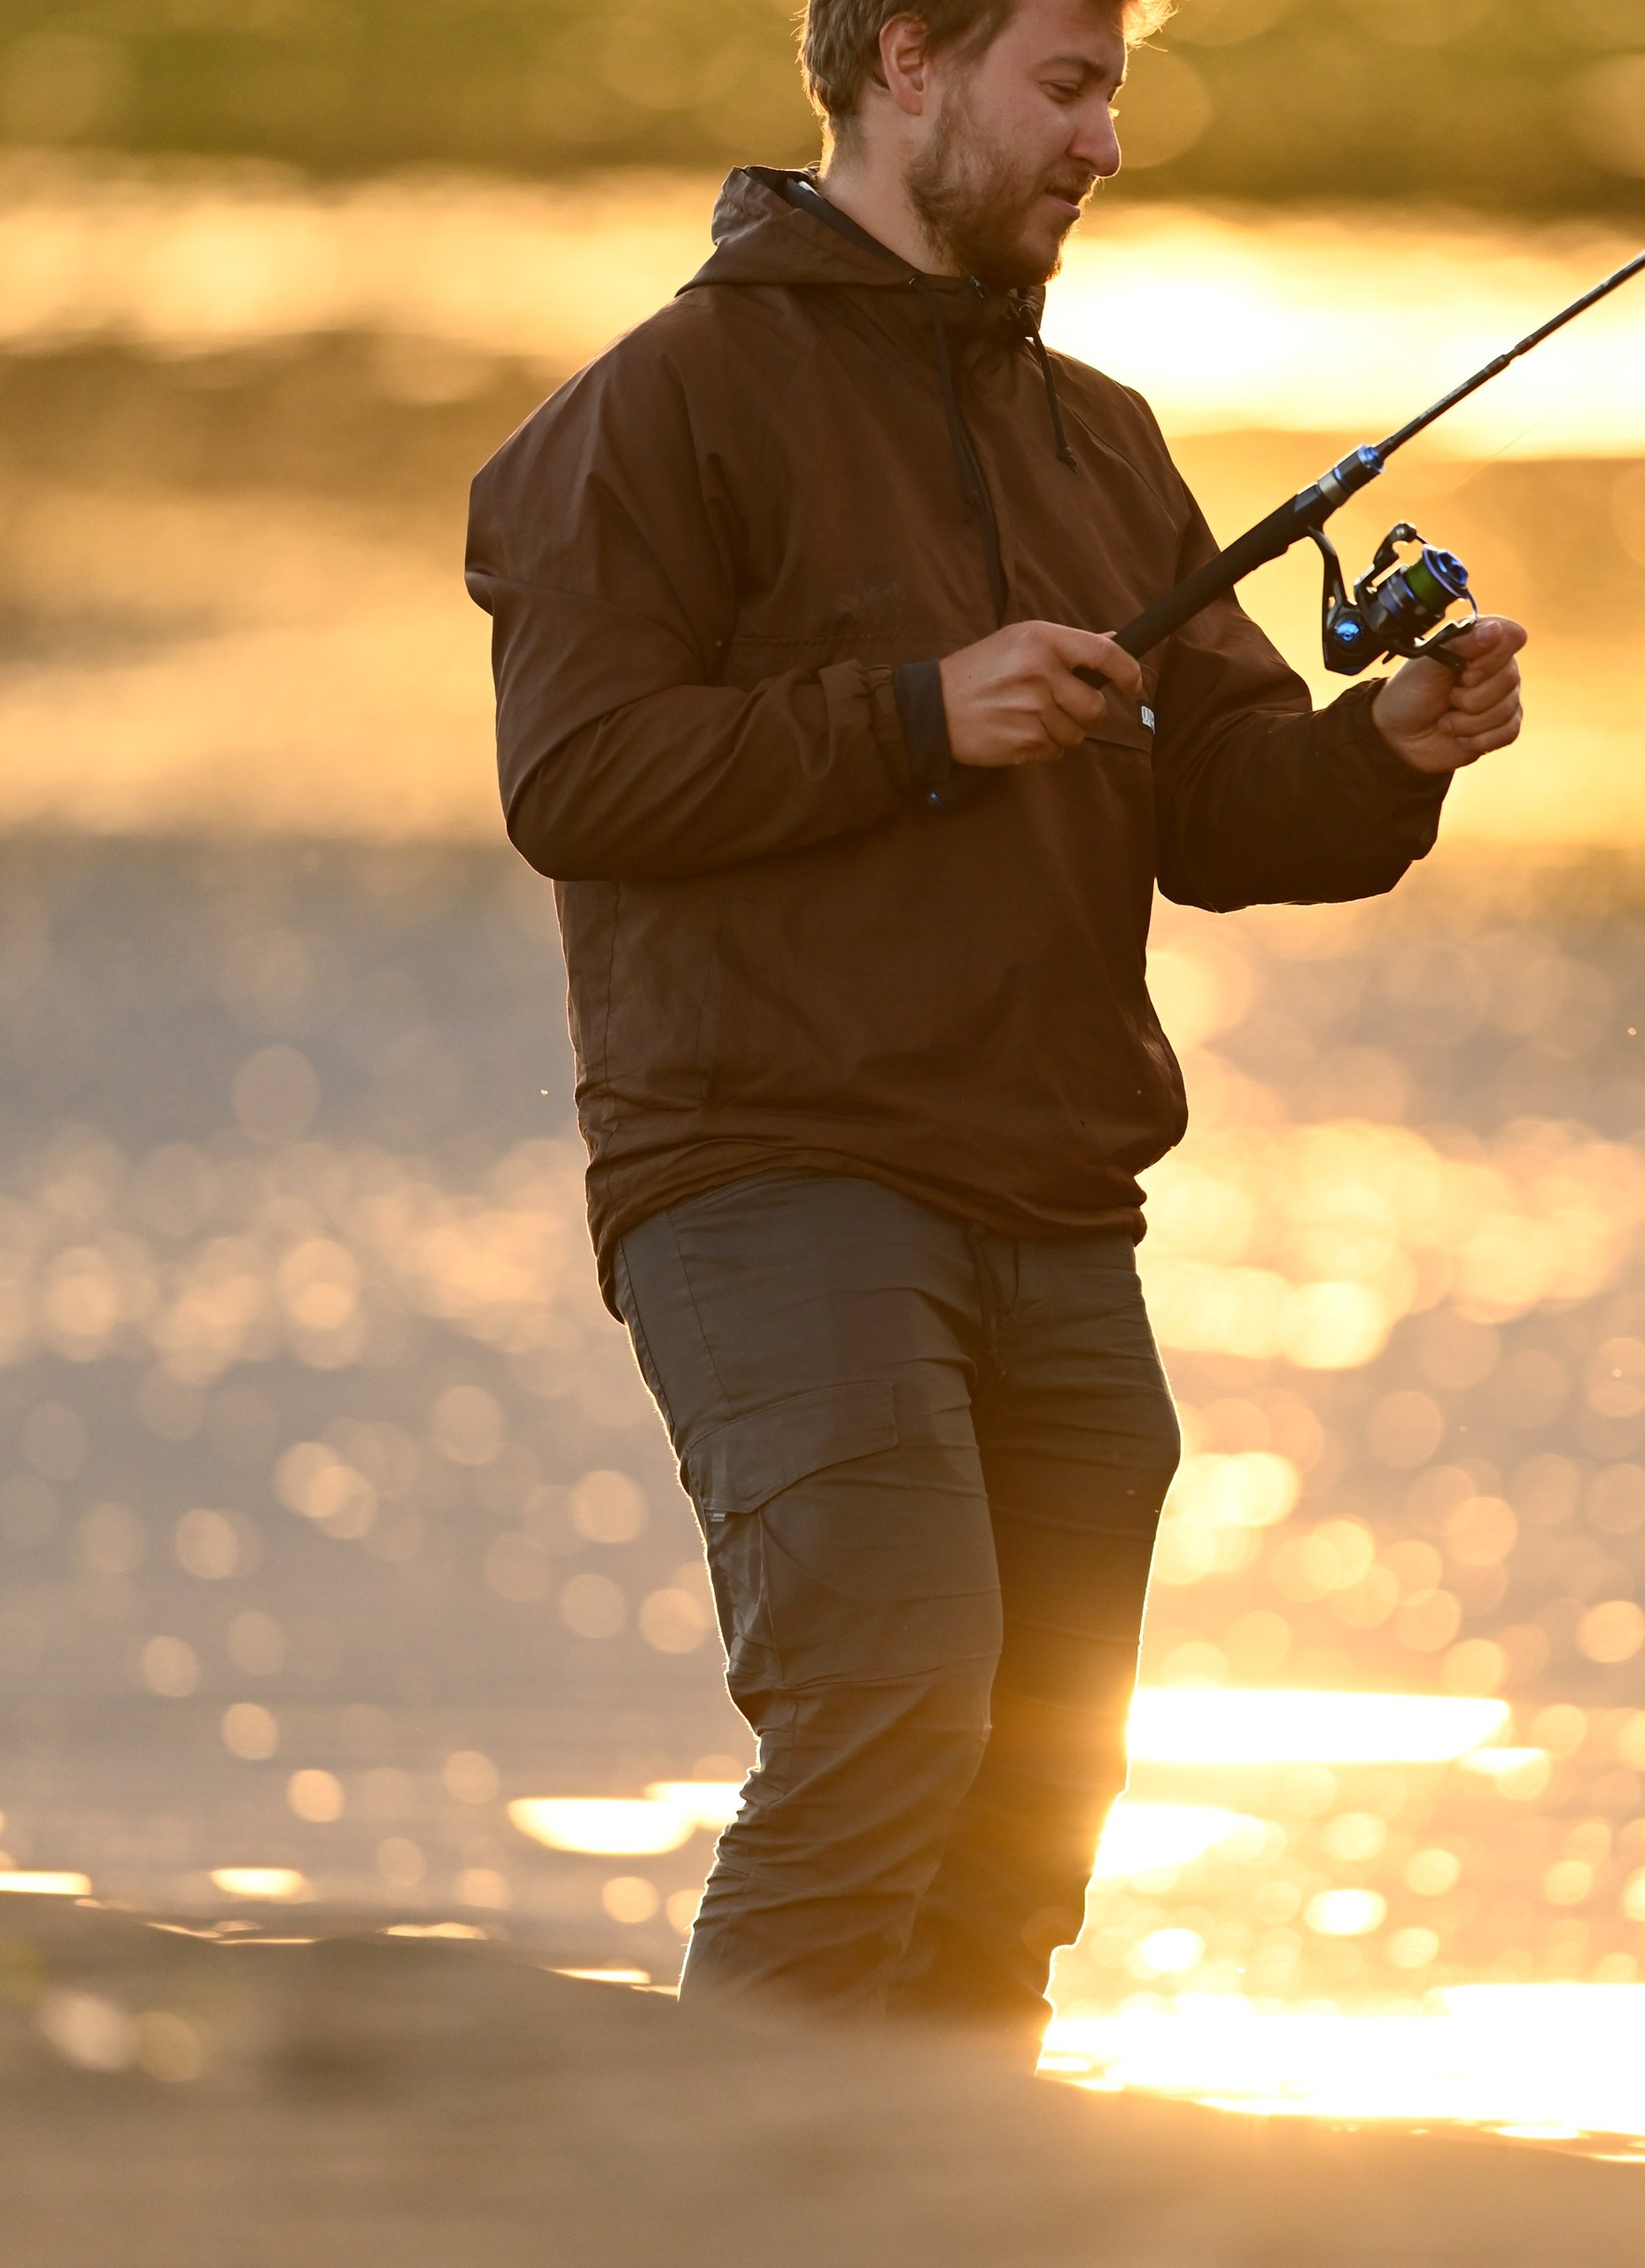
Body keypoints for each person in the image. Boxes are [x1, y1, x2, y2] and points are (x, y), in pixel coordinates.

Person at [464, 0, 1528, 2054]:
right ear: (906, 68)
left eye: (1115, 88)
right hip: (768, 1169)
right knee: (883, 1705)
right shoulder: (656, 410)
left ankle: (937, 2196)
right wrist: (917, 714)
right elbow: (574, 778)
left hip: (1053, 1197)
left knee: (1030, 1799)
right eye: (1067, 83)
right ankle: (708, 2208)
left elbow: (1215, 803)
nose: (1104, 140)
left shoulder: (1095, 436)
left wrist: (1389, 748)